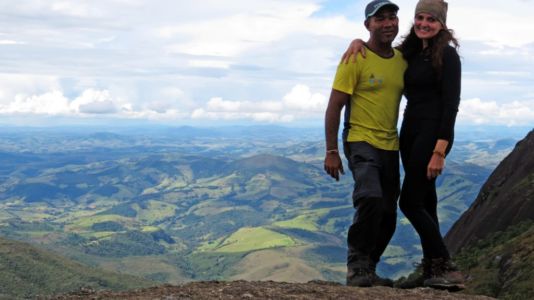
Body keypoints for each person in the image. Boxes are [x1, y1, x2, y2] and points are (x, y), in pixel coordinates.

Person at [341, 0, 465, 290]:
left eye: (431, 20)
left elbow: (451, 105)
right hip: (410, 132)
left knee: (410, 202)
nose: (424, 23)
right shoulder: (410, 52)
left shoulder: (447, 56)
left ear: (441, 24)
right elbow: (381, 52)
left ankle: (447, 266)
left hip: (433, 133)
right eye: (420, 17)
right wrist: (358, 40)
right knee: (427, 201)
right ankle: (432, 269)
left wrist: (439, 150)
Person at [323, 0, 407, 287]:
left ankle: (368, 268)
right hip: (360, 140)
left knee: (388, 213)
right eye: (380, 18)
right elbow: (334, 106)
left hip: (390, 146)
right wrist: (332, 150)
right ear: (368, 24)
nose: (387, 23)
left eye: (392, 17)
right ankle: (356, 265)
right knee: (370, 196)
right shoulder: (355, 58)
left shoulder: (401, 59)